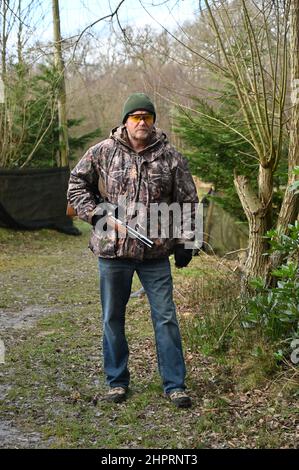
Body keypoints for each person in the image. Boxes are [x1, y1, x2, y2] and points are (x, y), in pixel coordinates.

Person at [67, 93, 199, 408]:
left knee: (166, 317)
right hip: (113, 253)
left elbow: (189, 202)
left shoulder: (171, 156)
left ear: (153, 121)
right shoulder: (102, 151)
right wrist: (100, 216)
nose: (142, 122)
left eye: (148, 117)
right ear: (125, 120)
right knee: (113, 317)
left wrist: (187, 242)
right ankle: (117, 382)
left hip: (155, 254)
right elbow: (76, 186)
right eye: (136, 116)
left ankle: (175, 385)